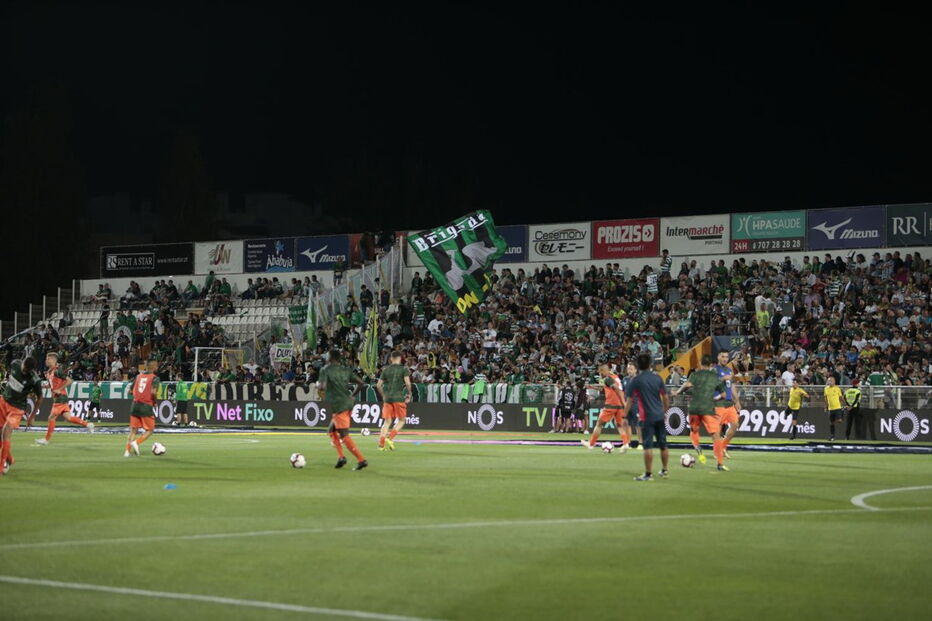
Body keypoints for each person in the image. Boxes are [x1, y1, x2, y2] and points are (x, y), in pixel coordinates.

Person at [673, 355, 728, 471]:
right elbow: (723, 395)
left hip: (694, 408)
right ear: (711, 365)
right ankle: (720, 464)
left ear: (700, 363)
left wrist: (678, 392)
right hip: (708, 408)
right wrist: (714, 399)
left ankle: (699, 451)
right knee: (715, 435)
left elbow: (687, 385)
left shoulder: (695, 375)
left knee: (694, 431)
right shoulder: (715, 377)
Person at [623, 353, 670, 481]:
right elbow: (665, 397)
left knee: (648, 446)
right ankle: (665, 470)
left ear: (638, 366)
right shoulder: (657, 378)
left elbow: (629, 400)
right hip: (659, 415)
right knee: (663, 445)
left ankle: (648, 474)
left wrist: (624, 415)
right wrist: (665, 411)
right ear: (650, 364)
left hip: (646, 417)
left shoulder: (636, 380)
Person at [318, 349, 367, 470]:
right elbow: (361, 383)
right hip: (348, 403)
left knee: (344, 434)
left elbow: (322, 387)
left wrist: (318, 386)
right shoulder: (346, 370)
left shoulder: (325, 369)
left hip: (338, 405)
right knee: (331, 430)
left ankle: (361, 460)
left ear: (330, 358)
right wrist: (353, 395)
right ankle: (341, 457)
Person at [35, 352, 93, 445]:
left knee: (51, 417)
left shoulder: (58, 371)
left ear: (53, 360)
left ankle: (46, 439)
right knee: (68, 418)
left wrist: (59, 389)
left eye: (47, 359)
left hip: (60, 398)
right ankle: (88, 424)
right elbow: (51, 385)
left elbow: (70, 380)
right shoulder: (49, 372)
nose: (46, 360)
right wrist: (43, 387)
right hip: (59, 398)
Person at [0, 357, 43, 475]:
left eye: (27, 370)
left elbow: (40, 397)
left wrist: (32, 416)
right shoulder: (14, 364)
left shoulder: (35, 380)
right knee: (0, 437)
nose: (24, 371)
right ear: (22, 362)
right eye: (23, 368)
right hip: (4, 402)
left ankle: (2, 464)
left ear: (31, 370)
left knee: (6, 431)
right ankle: (9, 458)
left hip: (17, 408)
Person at [581, 364, 629, 452]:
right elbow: (605, 388)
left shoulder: (608, 378)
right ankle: (626, 443)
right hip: (619, 406)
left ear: (604, 371)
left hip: (611, 404)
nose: (600, 374)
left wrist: (624, 403)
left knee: (599, 424)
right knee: (619, 425)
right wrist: (592, 387)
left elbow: (616, 389)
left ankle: (591, 444)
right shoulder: (615, 377)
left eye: (600, 372)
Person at [376, 350, 411, 451]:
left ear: (391, 359)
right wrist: (409, 394)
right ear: (400, 358)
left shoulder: (386, 370)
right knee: (401, 420)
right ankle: (390, 438)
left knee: (387, 422)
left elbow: (378, 385)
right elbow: (408, 384)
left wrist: (383, 396)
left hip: (388, 398)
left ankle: (381, 445)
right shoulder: (404, 369)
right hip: (399, 397)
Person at [125, 360, 159, 457]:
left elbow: (130, 391)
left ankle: (127, 452)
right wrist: (155, 402)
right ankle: (137, 442)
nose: (157, 367)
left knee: (133, 430)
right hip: (146, 406)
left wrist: (138, 394)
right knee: (150, 430)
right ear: (153, 367)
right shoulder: (155, 378)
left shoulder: (138, 376)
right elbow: (153, 392)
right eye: (156, 365)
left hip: (135, 405)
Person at [713, 351, 739, 458]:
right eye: (723, 357)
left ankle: (723, 446)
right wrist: (722, 379)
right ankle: (717, 451)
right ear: (718, 357)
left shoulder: (729, 370)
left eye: (726, 357)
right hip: (718, 403)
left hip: (729, 403)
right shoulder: (714, 370)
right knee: (717, 428)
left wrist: (737, 401)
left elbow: (732, 386)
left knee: (735, 425)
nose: (725, 359)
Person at [621, 362, 644, 448]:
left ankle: (641, 443)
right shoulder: (625, 379)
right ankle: (628, 443)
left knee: (638, 425)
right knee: (626, 424)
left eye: (631, 369)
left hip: (636, 404)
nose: (629, 371)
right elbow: (622, 391)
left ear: (635, 370)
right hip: (627, 404)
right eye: (628, 369)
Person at [824, 375, 845, 442]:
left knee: (839, 421)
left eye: (831, 380)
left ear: (834, 382)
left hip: (837, 407)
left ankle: (842, 413)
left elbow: (841, 397)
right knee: (831, 423)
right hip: (830, 409)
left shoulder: (837, 388)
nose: (830, 382)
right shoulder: (826, 389)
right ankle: (832, 436)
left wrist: (845, 403)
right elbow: (825, 398)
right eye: (829, 380)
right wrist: (825, 406)